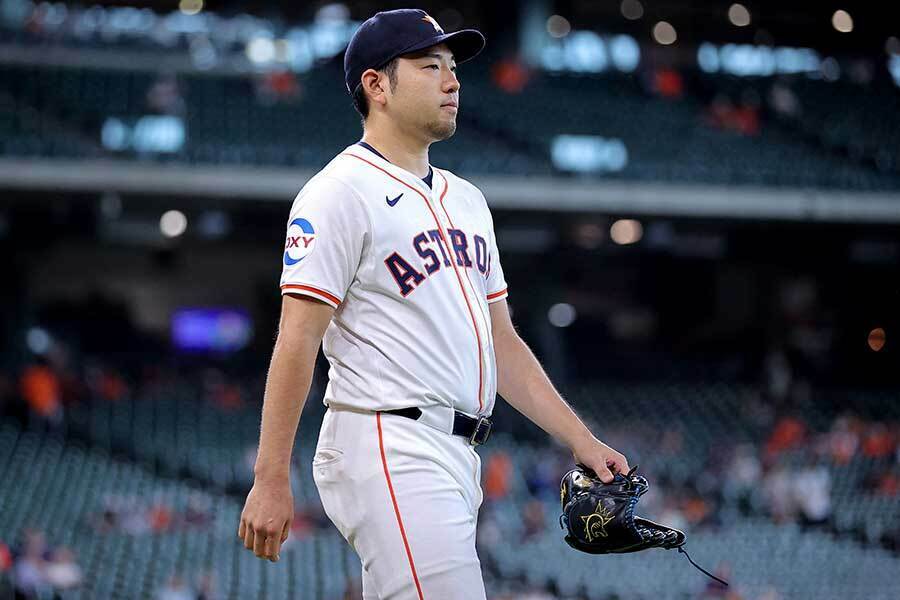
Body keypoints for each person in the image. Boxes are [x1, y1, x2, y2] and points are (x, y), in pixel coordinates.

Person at [238, 9, 630, 599]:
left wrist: (581, 439)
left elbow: (502, 343)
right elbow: (297, 338)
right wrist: (270, 476)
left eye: (453, 68)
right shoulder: (338, 192)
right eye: (429, 67)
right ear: (376, 85)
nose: (452, 81)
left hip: (457, 453)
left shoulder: (467, 199)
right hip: (388, 439)